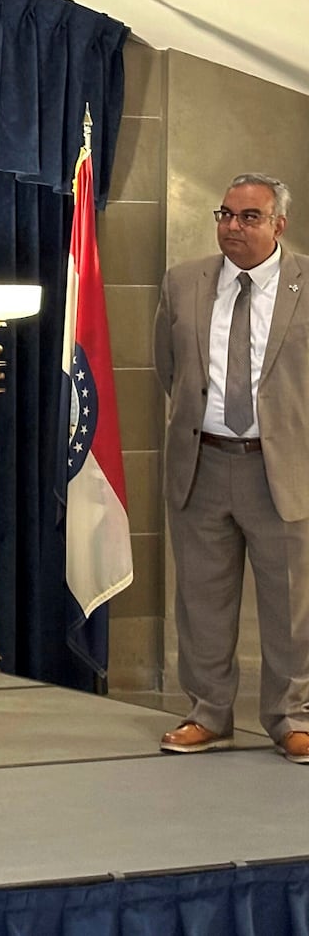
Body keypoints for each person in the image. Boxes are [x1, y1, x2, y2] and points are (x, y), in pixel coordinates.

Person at [154, 173, 309, 764]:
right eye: (225, 214)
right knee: (201, 599)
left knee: (291, 603)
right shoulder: (184, 281)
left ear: (278, 225)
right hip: (204, 461)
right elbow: (167, 368)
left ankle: (290, 718)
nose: (233, 227)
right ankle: (207, 714)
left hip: (282, 467)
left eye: (248, 217)